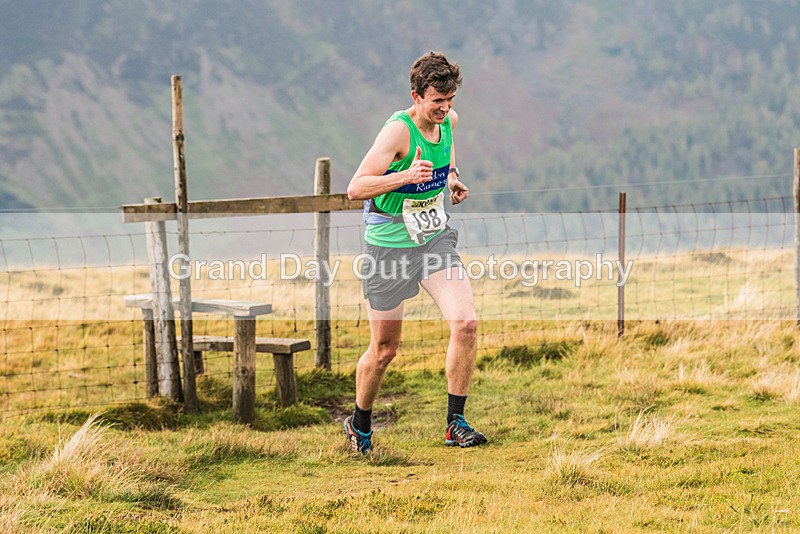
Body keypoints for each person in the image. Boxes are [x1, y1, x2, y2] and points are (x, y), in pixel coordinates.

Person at [343, 51, 487, 454]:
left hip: (432, 240)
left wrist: (453, 179)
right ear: (416, 95)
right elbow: (356, 188)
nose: (444, 109)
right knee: (385, 350)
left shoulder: (449, 122)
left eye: (450, 100)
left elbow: (446, 151)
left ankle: (454, 423)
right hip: (388, 246)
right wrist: (405, 176)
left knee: (467, 323)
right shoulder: (397, 133)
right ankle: (360, 423)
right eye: (436, 101)